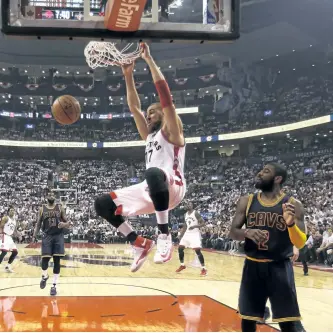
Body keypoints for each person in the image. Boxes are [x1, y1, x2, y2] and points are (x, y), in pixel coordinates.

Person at [95, 43, 186, 273]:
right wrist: (127, 75)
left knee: (153, 173)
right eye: (148, 113)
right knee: (102, 204)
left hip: (172, 186)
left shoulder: (172, 132)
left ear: (164, 114)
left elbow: (165, 97)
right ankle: (138, 242)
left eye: (152, 111)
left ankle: (164, 235)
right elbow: (134, 107)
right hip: (151, 189)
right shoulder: (149, 136)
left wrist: (148, 60)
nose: (148, 114)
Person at [229, 163, 307, 332]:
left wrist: (291, 224)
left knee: (288, 322)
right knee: (248, 319)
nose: (259, 173)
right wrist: (247, 232)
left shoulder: (293, 204)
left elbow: (300, 243)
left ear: (277, 178)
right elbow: (233, 232)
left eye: (266, 171)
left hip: (279, 267)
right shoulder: (246, 201)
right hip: (252, 266)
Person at [33, 191, 70, 296]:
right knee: (44, 260)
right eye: (49, 195)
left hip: (58, 236)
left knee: (57, 261)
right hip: (47, 236)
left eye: (53, 195)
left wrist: (65, 224)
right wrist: (34, 235)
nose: (51, 196)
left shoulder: (60, 208)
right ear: (46, 197)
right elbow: (38, 224)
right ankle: (44, 276)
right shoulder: (42, 209)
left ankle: (54, 286)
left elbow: (68, 223)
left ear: (55, 197)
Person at [176, 202, 207, 276]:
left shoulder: (196, 213)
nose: (188, 205)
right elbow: (185, 226)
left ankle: (204, 268)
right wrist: (181, 235)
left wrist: (195, 226)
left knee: (198, 251)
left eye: (190, 204)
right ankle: (182, 265)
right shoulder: (185, 214)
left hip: (195, 234)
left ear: (192, 205)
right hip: (187, 234)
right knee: (180, 249)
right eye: (187, 204)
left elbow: (203, 223)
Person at [0, 207, 20, 273]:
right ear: (8, 211)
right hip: (4, 235)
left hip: (9, 238)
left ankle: (7, 266)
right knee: (4, 252)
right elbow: (0, 226)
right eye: (11, 210)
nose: (12, 211)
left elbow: (14, 230)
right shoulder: (6, 218)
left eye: (13, 210)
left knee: (15, 252)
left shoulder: (14, 221)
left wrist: (18, 235)